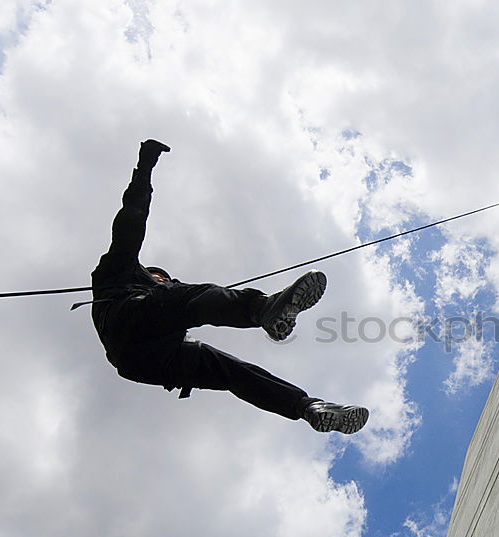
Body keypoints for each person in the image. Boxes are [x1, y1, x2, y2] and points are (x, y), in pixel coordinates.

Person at [90, 139, 368, 434]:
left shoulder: (164, 311)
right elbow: (132, 219)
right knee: (188, 298)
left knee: (231, 372)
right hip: (126, 321)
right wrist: (144, 168)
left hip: (145, 361)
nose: (169, 282)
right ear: (148, 274)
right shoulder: (119, 270)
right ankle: (263, 309)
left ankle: (307, 407)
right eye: (162, 277)